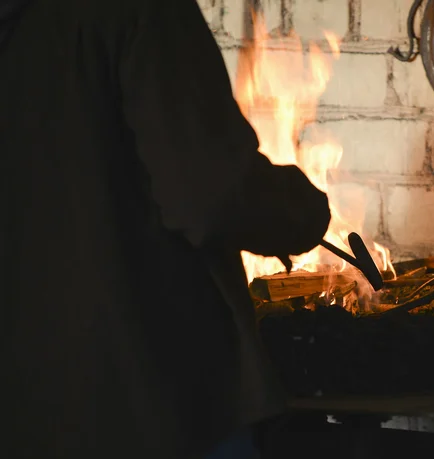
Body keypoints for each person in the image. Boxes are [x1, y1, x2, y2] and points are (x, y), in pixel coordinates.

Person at [0, 0, 331, 457]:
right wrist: (302, 212)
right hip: (157, 395)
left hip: (29, 406)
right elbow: (212, 193)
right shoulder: (141, 10)